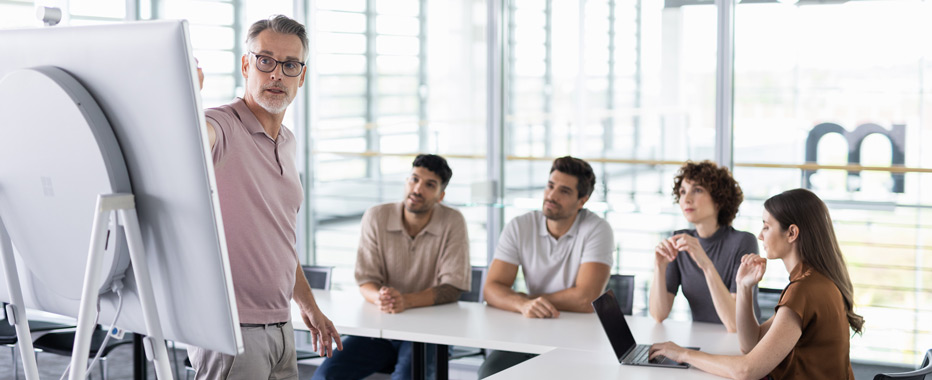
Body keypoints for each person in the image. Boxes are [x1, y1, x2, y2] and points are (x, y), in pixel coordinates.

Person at [188, 15, 342, 379]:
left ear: (301, 76)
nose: (277, 74)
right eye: (265, 60)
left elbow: (280, 241)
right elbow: (191, 139)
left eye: (290, 65)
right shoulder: (220, 125)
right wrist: (185, 98)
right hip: (231, 332)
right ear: (246, 65)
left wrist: (309, 306)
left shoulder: (287, 142)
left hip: (281, 328)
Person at [649, 188, 865, 380]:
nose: (760, 236)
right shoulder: (813, 281)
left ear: (791, 233)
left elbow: (746, 371)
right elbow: (750, 344)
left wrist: (683, 354)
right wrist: (743, 287)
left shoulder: (804, 290)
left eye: (766, 226)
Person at [312, 154, 470, 380]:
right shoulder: (377, 216)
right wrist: (381, 297)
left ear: (440, 196)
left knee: (408, 376)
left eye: (429, 185)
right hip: (380, 327)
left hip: (430, 332)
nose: (417, 189)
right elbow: (366, 280)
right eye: (414, 179)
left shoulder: (453, 221)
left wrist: (405, 301)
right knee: (326, 376)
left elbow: (452, 288)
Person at [479, 156, 614, 378]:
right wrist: (523, 304)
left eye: (564, 191)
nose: (551, 196)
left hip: (579, 336)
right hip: (531, 330)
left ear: (582, 201)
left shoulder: (597, 229)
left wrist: (530, 300)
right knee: (490, 373)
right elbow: (491, 288)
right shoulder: (520, 226)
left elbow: (585, 298)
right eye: (550, 186)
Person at [649, 160, 760, 332]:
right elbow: (658, 314)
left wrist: (706, 264)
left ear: (719, 200)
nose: (686, 199)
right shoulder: (680, 241)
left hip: (740, 344)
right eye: (683, 192)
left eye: (697, 190)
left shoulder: (743, 241)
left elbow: (735, 325)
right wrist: (659, 267)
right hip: (701, 341)